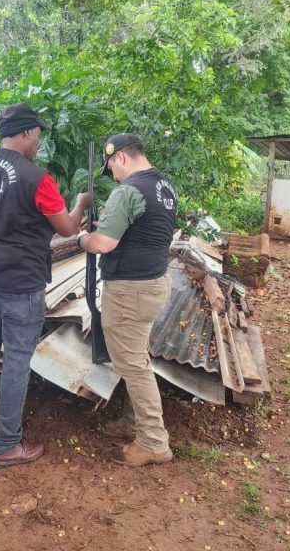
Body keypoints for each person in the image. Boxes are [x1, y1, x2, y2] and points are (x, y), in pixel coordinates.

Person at [0, 102, 91, 468]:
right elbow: (66, 229)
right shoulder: (37, 178)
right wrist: (80, 204)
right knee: (16, 360)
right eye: (37, 135)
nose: (38, 143)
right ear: (26, 133)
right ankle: (6, 446)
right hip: (20, 285)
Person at [76, 133, 177, 467]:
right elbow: (142, 229)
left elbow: (103, 244)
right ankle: (133, 423)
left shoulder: (129, 190)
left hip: (130, 291)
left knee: (133, 366)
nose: (113, 176)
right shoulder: (163, 186)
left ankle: (153, 442)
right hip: (153, 283)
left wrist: (83, 239)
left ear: (119, 157)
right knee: (138, 359)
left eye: (112, 169)